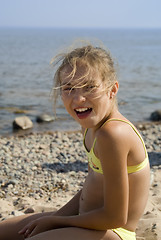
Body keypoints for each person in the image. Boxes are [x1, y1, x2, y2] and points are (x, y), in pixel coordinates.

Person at [0, 44, 150, 240]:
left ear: (112, 90)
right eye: (68, 88)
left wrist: (56, 222)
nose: (78, 99)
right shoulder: (90, 124)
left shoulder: (113, 134)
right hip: (84, 220)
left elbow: (116, 217)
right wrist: (55, 216)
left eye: (89, 87)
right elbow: (90, 186)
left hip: (112, 232)